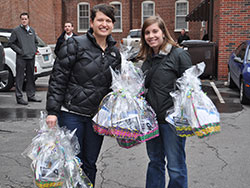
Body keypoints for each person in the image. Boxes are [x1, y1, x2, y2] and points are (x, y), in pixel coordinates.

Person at [46, 4, 121, 186]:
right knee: (73, 162)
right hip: (72, 113)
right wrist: (52, 111)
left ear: (113, 24)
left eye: (108, 21)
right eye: (100, 20)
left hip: (97, 118)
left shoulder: (115, 53)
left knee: (90, 163)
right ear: (92, 22)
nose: (104, 24)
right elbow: (58, 78)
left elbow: (114, 87)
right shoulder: (75, 44)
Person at [137, 15, 192, 188]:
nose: (151, 36)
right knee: (155, 162)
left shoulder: (178, 55)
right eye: (147, 32)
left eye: (155, 31)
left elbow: (191, 88)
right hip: (151, 122)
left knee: (175, 167)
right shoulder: (147, 60)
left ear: (163, 32)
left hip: (172, 123)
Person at [9, 12, 41, 105]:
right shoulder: (16, 31)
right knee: (20, 78)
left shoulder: (32, 30)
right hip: (21, 58)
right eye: (22, 19)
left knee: (31, 77)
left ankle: (31, 96)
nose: (24, 20)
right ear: (20, 20)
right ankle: (19, 97)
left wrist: (34, 50)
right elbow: (11, 43)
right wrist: (20, 51)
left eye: (25, 19)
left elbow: (36, 42)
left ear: (28, 20)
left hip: (31, 57)